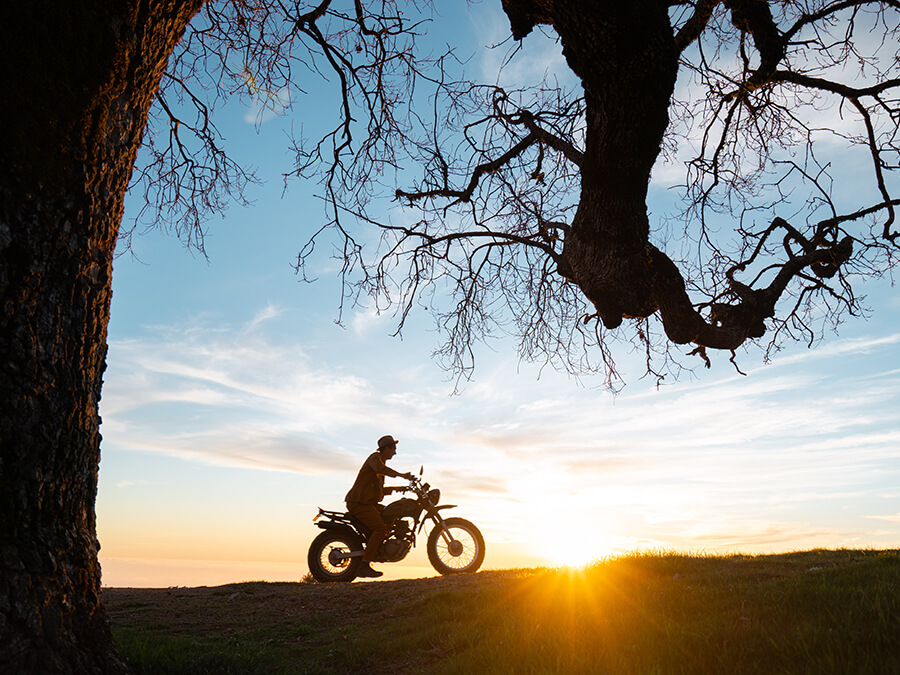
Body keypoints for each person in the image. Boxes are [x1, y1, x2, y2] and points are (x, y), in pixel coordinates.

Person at [345, 434, 414, 578]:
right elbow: (379, 469)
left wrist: (398, 488)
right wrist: (402, 475)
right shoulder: (375, 458)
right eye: (393, 449)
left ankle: (377, 549)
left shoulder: (381, 464)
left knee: (389, 519)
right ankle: (364, 565)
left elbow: (379, 490)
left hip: (366, 503)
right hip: (358, 503)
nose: (395, 452)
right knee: (380, 528)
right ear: (386, 448)